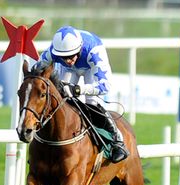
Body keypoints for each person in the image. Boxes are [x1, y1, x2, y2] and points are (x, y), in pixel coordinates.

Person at [33, 26, 129, 163]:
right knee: (62, 99)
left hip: (90, 67)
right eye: (63, 57)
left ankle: (117, 142)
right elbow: (36, 71)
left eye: (71, 56)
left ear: (79, 49)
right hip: (68, 71)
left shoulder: (95, 52)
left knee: (92, 103)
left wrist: (78, 90)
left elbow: (105, 86)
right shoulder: (53, 52)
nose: (68, 61)